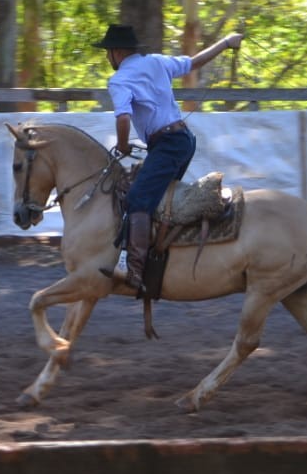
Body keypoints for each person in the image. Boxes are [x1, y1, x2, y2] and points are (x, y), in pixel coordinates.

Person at [95, 22, 245, 294]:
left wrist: (123, 144)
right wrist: (225, 42)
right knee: (157, 198)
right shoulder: (156, 62)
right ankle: (163, 255)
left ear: (116, 52)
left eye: (107, 52)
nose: (107, 58)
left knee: (138, 198)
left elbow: (123, 116)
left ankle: (136, 271)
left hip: (166, 144)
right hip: (184, 140)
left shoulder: (118, 80)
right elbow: (195, 62)